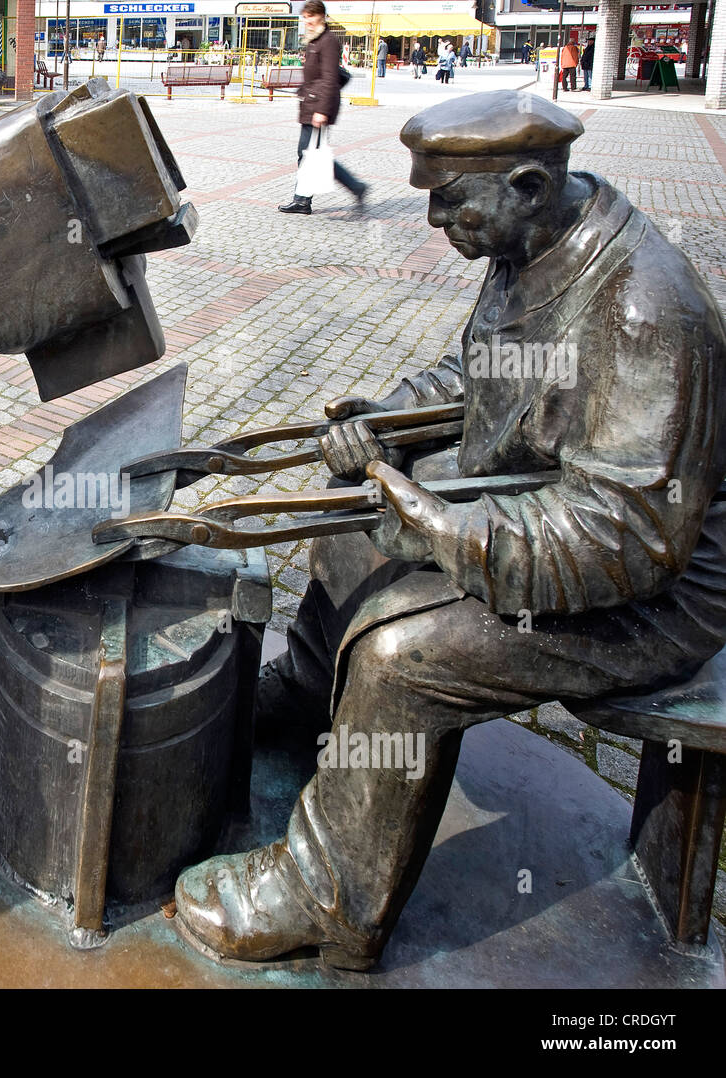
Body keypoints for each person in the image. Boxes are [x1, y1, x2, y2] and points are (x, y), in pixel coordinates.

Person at [174, 89, 726, 969]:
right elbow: (483, 375)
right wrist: (390, 420)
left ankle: (331, 897)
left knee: (409, 660)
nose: (433, 220)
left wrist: (439, 529)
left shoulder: (647, 308)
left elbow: (628, 538)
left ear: (533, 183)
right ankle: (315, 691)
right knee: (354, 521)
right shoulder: (532, 243)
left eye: (450, 200)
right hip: (552, 501)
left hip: (662, 591)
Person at [280, 0, 368, 216]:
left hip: (319, 106)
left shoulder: (328, 41)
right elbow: (314, 76)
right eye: (305, 17)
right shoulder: (314, 40)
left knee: (312, 154)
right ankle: (302, 200)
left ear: (321, 16)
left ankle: (355, 187)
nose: (307, 21)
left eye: (311, 16)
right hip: (311, 103)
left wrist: (322, 110)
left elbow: (330, 79)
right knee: (308, 153)